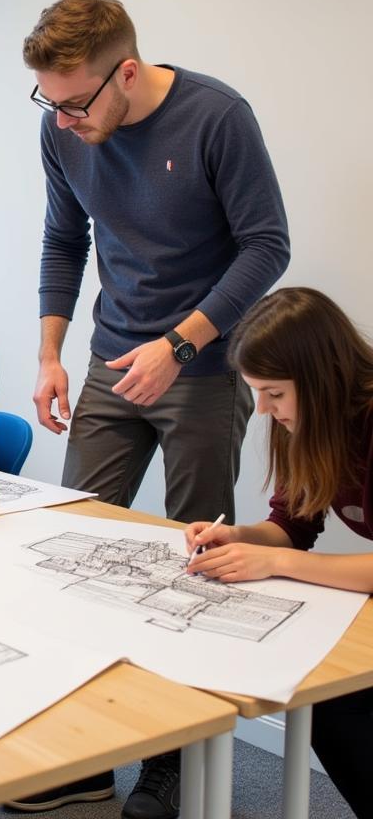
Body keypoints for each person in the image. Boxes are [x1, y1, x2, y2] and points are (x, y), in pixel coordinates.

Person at [11, 0, 290, 816]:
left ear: (125, 74)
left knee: (192, 560)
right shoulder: (60, 130)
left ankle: (174, 760)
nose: (61, 120)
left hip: (201, 369)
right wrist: (51, 353)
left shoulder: (216, 118)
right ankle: (84, 741)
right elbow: (66, 238)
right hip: (109, 359)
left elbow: (267, 245)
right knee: (71, 543)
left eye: (73, 103)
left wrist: (181, 344)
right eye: (47, 102)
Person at [185, 287, 373, 819]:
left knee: (341, 700)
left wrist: (276, 562)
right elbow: (291, 526)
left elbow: (287, 555)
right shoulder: (311, 420)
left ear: (322, 376)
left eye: (274, 394)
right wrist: (242, 537)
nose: (264, 411)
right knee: (330, 698)